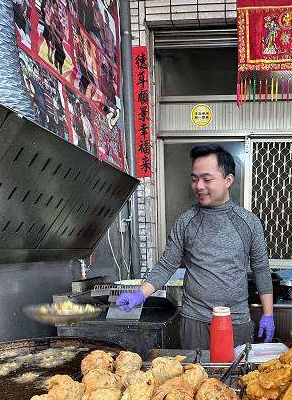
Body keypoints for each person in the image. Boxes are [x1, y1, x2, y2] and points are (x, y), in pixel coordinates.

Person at [116, 145, 275, 349]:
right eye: (194, 179)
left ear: (228, 180)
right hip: (195, 320)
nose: (199, 186)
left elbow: (261, 269)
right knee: (194, 378)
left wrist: (268, 314)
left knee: (235, 380)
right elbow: (167, 265)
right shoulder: (186, 221)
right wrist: (140, 294)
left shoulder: (249, 222)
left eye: (207, 179)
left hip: (236, 320)